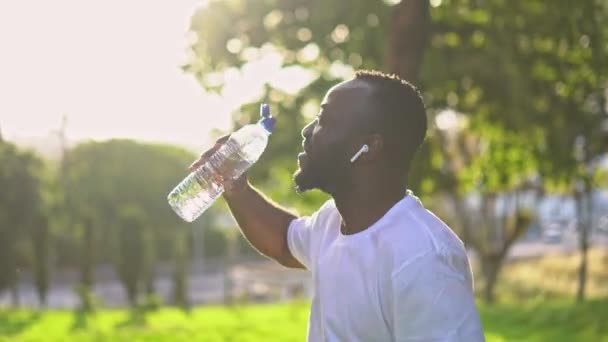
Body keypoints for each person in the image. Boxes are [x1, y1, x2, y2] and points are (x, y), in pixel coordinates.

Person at [189, 70, 484, 341]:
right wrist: (237, 190)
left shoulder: (423, 257)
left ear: (368, 148)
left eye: (325, 121)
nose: (307, 131)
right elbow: (282, 241)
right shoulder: (333, 221)